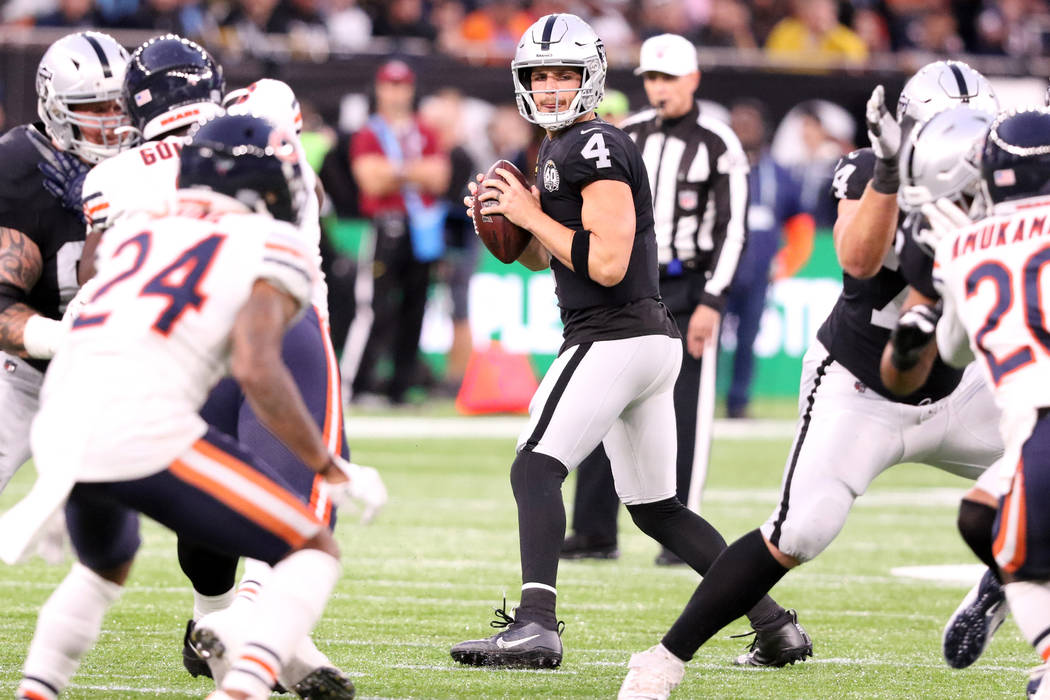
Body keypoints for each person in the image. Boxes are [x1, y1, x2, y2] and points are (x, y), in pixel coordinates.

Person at [617, 60, 1005, 699]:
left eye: (976, 129)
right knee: (799, 531)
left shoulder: (1005, 180)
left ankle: (1008, 579)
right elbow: (858, 260)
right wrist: (888, 172)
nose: (965, 145)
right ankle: (661, 660)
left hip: (959, 384)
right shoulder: (869, 170)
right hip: (862, 390)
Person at [449, 13, 808, 673]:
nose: (553, 88)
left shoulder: (591, 146)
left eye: (566, 75)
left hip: (614, 334)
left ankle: (535, 624)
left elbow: (607, 262)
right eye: (541, 75)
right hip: (643, 340)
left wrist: (527, 213)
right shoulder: (563, 148)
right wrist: (511, 228)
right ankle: (773, 624)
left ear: (592, 79)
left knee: (535, 465)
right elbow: (548, 259)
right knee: (659, 511)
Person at [0, 113, 351, 700]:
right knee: (311, 548)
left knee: (104, 566)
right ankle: (240, 688)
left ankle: (38, 689)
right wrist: (326, 462)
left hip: (62, 414)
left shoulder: (139, 226)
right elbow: (258, 368)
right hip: (138, 425)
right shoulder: (273, 242)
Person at [80, 37, 379, 696]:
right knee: (305, 503)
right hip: (277, 329)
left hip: (175, 358)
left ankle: (216, 621)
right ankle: (251, 629)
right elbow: (314, 201)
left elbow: (93, 277)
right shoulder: (261, 122)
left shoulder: (111, 176)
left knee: (212, 503)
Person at [562, 33, 750, 568]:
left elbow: (732, 229)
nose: (658, 88)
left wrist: (714, 298)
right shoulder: (625, 136)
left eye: (668, 78)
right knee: (602, 400)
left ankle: (679, 534)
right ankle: (595, 530)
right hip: (632, 286)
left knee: (685, 411)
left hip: (689, 287)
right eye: (650, 78)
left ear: (692, 79)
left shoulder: (718, 142)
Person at [927, 106, 1050, 699]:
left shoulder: (960, 247)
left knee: (1015, 550)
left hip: (1037, 415)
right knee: (984, 519)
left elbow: (950, 350)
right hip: (1035, 422)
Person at [0, 31, 131, 497]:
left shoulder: (149, 162)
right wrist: (69, 339)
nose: (113, 121)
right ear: (56, 109)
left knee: (218, 501)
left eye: (119, 104)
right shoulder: (19, 167)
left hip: (134, 373)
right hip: (30, 372)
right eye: (96, 109)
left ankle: (260, 572)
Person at [341, 58, 450, 405]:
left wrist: (394, 171)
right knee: (375, 308)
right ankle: (357, 386)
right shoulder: (369, 132)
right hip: (384, 226)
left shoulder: (425, 131)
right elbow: (370, 181)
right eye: (390, 84)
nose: (396, 92)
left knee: (416, 309)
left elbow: (441, 177)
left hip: (421, 229)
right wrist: (416, 171)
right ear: (379, 89)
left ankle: (399, 389)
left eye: (402, 85)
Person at [725, 99, 813, 419]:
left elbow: (800, 222)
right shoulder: (717, 167)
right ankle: (697, 401)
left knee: (747, 343)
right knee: (703, 344)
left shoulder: (778, 173)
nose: (744, 129)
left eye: (750, 122)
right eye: (738, 122)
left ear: (764, 129)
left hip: (759, 274)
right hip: (719, 274)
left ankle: (739, 404)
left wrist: (787, 263)